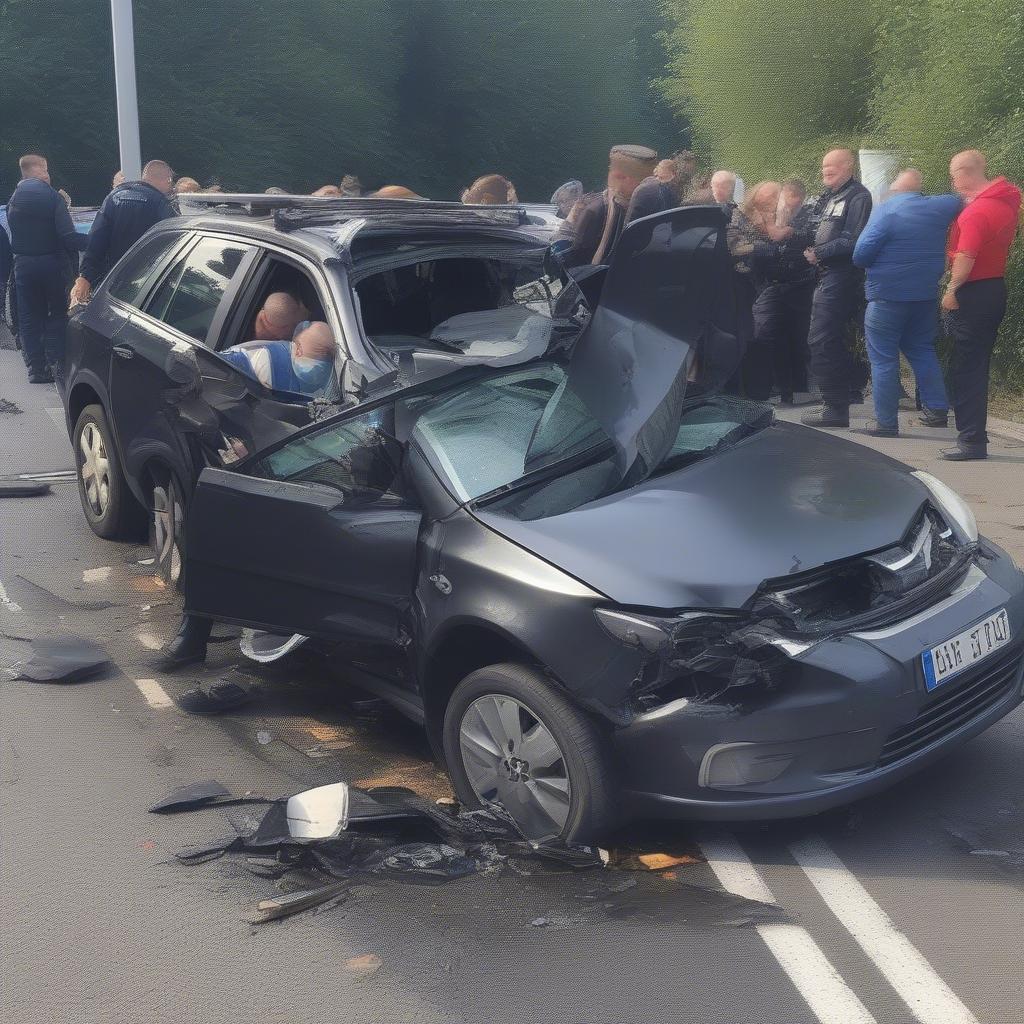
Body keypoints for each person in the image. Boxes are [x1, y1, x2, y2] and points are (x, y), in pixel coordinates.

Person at [851, 169, 962, 437]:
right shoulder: (940, 207)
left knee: (883, 359)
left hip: (887, 296)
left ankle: (886, 423)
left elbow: (860, 254)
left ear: (895, 190)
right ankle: (936, 410)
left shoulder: (886, 211)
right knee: (923, 349)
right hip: (924, 296)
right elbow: (960, 199)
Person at [940, 150, 1021, 460]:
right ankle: (973, 436)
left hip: (972, 290)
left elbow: (966, 256)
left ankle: (971, 440)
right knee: (977, 363)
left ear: (966, 172)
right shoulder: (1005, 204)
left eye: (953, 175)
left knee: (966, 366)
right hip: (994, 287)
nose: (953, 182)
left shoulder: (976, 212)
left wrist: (952, 289)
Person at [800, 149, 873, 428]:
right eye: (823, 167)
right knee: (825, 338)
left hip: (842, 275)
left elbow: (854, 239)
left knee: (822, 338)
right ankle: (835, 401)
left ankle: (835, 407)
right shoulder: (829, 196)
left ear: (848, 166)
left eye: (831, 167)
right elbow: (814, 228)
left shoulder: (858, 196)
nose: (825, 172)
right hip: (825, 273)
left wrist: (820, 252)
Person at [6, 154, 86, 383]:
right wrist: (97, 241)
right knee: (57, 313)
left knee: (29, 316)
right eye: (47, 171)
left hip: (23, 266)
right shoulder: (52, 198)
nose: (48, 175)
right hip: (51, 264)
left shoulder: (15, 199)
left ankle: (36, 369)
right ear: (40, 171)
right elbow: (68, 237)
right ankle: (58, 362)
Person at [69, 160, 176, 304]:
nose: (170, 188)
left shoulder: (114, 196)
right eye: (170, 183)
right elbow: (171, 246)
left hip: (110, 281)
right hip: (145, 284)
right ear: (167, 180)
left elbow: (96, 239)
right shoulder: (162, 204)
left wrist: (85, 276)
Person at [750, 178, 817, 403]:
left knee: (799, 337)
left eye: (790, 204)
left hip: (801, 283)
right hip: (773, 283)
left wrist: (779, 225)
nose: (786, 208)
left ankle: (798, 389)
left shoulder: (809, 215)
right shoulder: (769, 213)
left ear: (799, 199)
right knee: (766, 333)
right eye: (784, 203)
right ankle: (774, 388)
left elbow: (787, 236)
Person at [727, 181, 783, 399]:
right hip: (744, 285)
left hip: (767, 284)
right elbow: (735, 247)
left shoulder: (780, 218)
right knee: (753, 335)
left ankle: (765, 388)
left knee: (763, 335)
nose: (773, 204)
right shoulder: (738, 216)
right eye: (768, 200)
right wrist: (764, 247)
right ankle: (752, 391)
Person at [560, 145, 658, 268]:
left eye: (611, 168)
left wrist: (569, 222)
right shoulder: (659, 204)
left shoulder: (596, 210)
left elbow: (572, 259)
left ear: (620, 176)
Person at [221, 320, 337, 395]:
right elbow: (213, 367)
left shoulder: (334, 386)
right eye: (317, 353)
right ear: (297, 349)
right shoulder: (261, 356)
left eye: (327, 357)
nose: (319, 365)